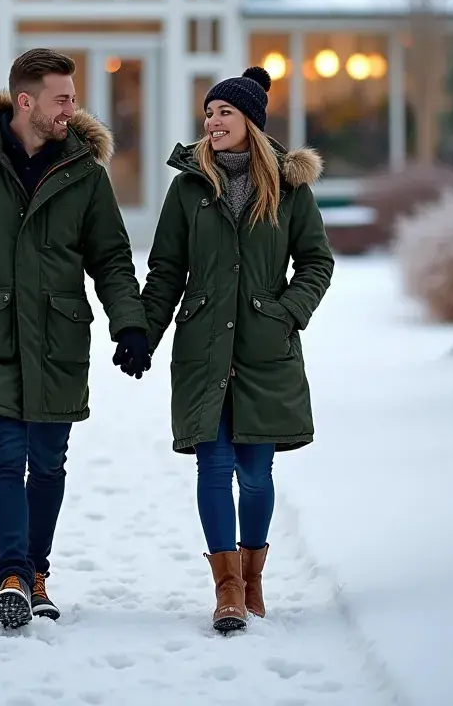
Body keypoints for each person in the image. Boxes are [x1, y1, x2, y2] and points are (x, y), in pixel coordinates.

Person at [0, 49, 150, 629]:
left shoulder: (86, 174)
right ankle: (12, 574)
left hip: (58, 339)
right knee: (4, 458)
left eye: (73, 97)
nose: (72, 108)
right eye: (61, 97)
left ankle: (37, 570)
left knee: (47, 464)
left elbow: (112, 258)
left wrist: (131, 323)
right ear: (26, 101)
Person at [138, 66, 334, 633]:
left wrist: (287, 312)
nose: (213, 121)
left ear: (250, 122)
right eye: (209, 113)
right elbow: (166, 269)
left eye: (225, 112)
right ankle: (226, 591)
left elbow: (316, 262)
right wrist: (143, 335)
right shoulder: (189, 188)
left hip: (264, 350)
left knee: (254, 470)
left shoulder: (290, 191)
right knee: (213, 463)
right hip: (202, 349)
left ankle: (253, 581)